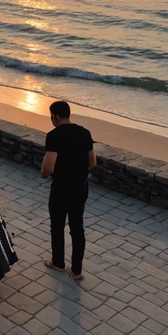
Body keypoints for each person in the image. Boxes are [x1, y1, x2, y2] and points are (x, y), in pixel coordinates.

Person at [40, 100, 96, 280]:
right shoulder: (85, 133)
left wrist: (50, 173)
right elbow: (92, 162)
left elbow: (47, 169)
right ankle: (77, 271)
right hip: (80, 188)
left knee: (57, 226)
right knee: (77, 228)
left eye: (51, 117)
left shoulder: (54, 136)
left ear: (55, 116)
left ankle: (58, 262)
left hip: (61, 188)